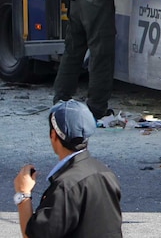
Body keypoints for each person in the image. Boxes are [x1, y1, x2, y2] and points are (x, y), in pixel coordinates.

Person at [53, 0, 156, 119]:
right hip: (97, 4)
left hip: (78, 0)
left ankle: (61, 100)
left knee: (73, 53)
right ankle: (96, 109)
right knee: (102, 57)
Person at [13, 100, 122, 238]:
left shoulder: (65, 186)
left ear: (53, 135)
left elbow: (32, 236)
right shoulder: (106, 174)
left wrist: (23, 194)